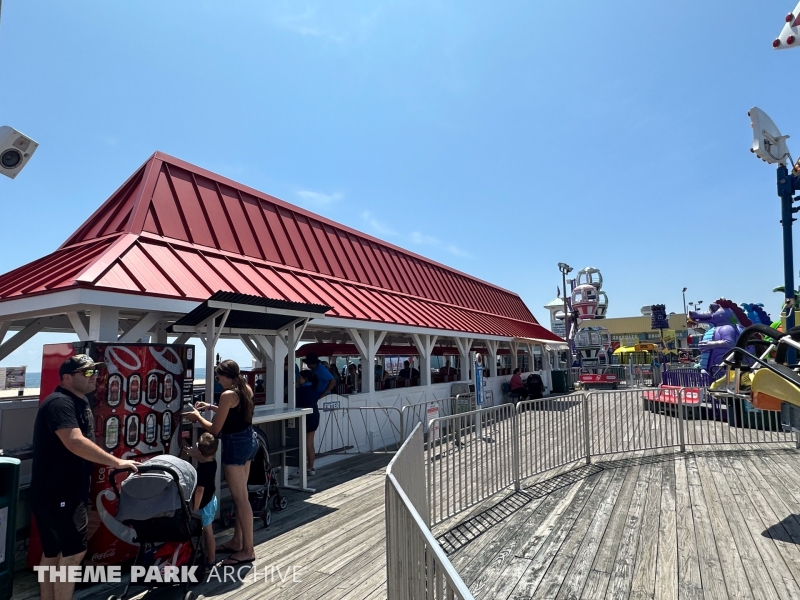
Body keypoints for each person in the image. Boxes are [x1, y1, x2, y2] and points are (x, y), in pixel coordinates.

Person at [30, 355, 139, 600]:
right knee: (74, 552)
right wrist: (117, 462)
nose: (95, 378)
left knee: (54, 551)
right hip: (60, 492)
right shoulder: (60, 403)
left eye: (95, 373)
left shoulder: (78, 401)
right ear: (67, 378)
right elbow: (75, 441)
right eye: (87, 373)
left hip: (59, 490)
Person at [184, 359, 257, 567]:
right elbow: (233, 412)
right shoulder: (246, 389)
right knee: (242, 495)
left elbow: (215, 430)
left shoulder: (227, 394)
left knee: (240, 498)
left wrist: (198, 416)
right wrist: (211, 407)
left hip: (235, 445)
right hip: (249, 441)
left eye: (218, 377)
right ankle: (237, 542)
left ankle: (248, 550)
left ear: (226, 376)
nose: (217, 380)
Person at [184, 432, 219, 570]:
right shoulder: (212, 462)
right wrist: (193, 453)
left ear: (199, 450)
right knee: (207, 531)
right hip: (212, 500)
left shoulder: (201, 470)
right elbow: (203, 458)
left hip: (204, 505)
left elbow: (200, 490)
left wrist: (195, 507)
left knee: (208, 533)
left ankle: (211, 560)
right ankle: (210, 557)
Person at [294, 370, 321, 476]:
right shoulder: (314, 388)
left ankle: (302, 468)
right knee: (309, 444)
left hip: (305, 417)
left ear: (305, 378)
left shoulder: (301, 390)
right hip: (314, 415)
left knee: (302, 444)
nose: (298, 378)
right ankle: (310, 467)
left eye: (300, 377)